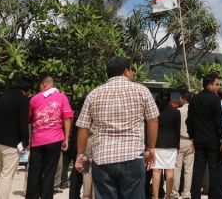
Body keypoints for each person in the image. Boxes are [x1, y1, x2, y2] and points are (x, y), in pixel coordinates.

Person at [75, 57, 159, 198]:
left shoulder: (93, 95)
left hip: (102, 158)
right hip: (132, 157)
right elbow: (153, 120)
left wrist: (80, 155)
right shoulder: (142, 91)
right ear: (126, 71)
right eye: (131, 70)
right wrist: (150, 148)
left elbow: (83, 127)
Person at [0, 73, 31, 199]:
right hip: (10, 142)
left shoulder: (2, 98)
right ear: (28, 90)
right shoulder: (24, 101)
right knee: (6, 175)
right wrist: (25, 141)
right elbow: (23, 124)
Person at [27, 73, 74, 199]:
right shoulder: (62, 97)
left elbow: (29, 119)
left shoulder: (34, 99)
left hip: (37, 141)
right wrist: (66, 139)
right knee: (49, 172)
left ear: (43, 84)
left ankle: (32, 196)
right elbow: (67, 118)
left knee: (34, 172)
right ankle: (46, 196)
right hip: (54, 139)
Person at [187, 74, 222, 199]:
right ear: (209, 85)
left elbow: (189, 121)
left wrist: (192, 137)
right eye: (216, 84)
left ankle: (195, 196)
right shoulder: (215, 100)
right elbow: (219, 122)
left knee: (198, 169)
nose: (217, 87)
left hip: (199, 139)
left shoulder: (194, 100)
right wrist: (221, 140)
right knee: (213, 169)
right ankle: (213, 196)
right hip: (213, 140)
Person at [153, 91, 180, 199]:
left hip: (157, 143)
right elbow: (177, 130)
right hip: (171, 144)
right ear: (169, 100)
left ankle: (155, 197)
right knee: (169, 170)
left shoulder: (155, 112)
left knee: (156, 170)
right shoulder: (175, 112)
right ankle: (168, 196)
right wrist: (177, 145)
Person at [172, 91, 194, 199]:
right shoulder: (195, 111)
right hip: (191, 142)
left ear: (183, 99)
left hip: (179, 140)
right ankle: (187, 194)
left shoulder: (177, 111)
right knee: (188, 170)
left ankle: (175, 193)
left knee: (177, 168)